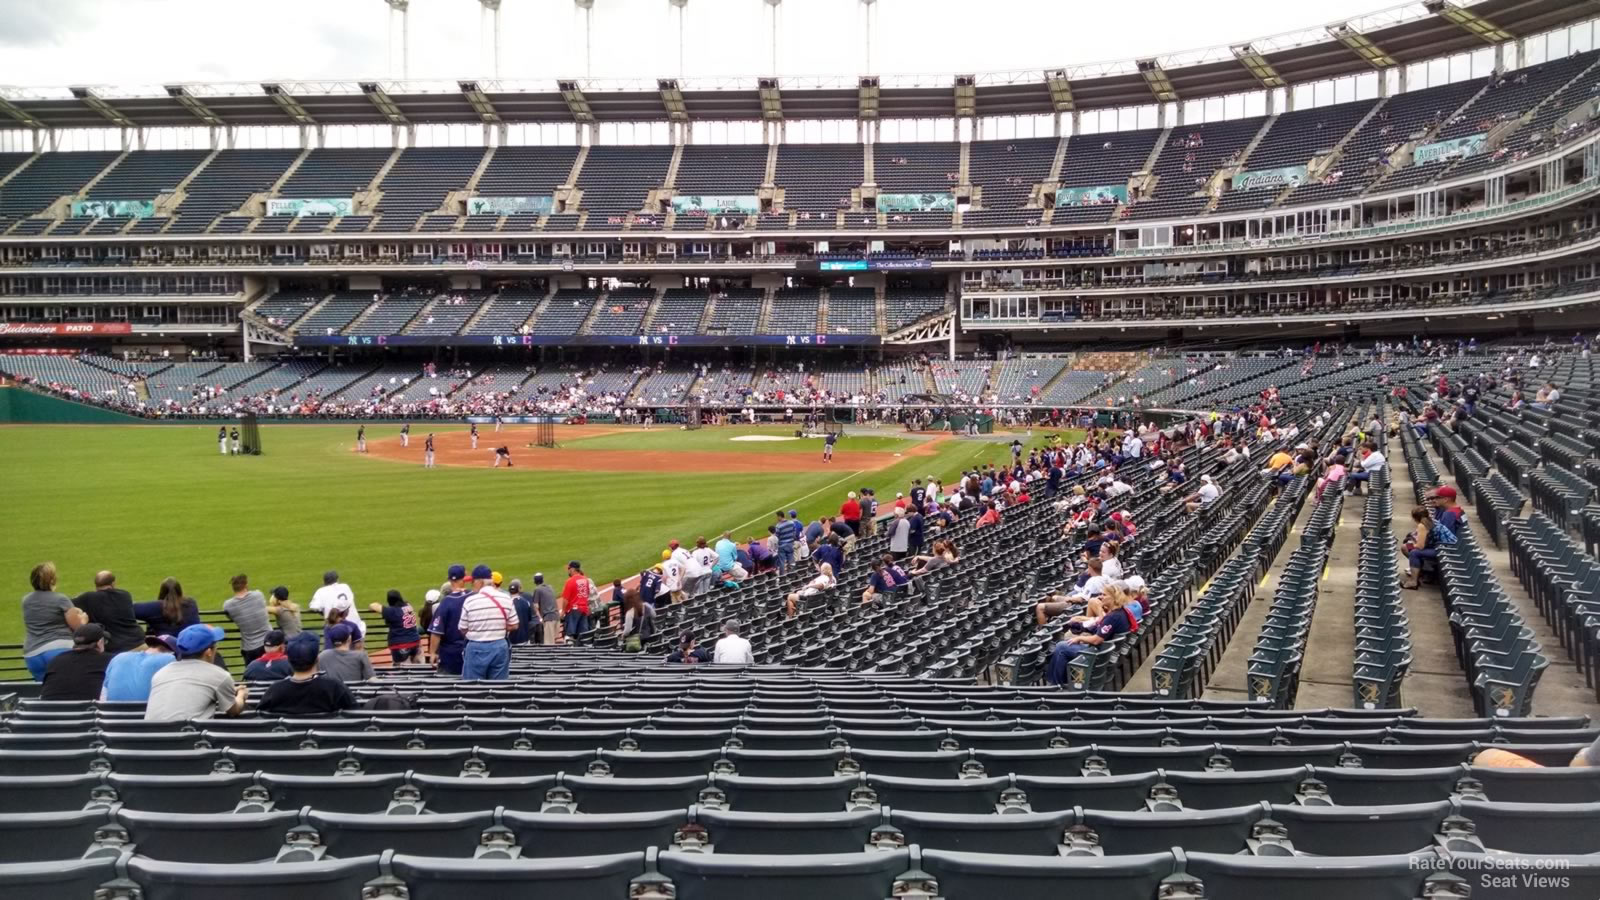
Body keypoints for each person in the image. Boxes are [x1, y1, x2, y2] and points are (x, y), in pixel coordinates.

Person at [145, 624, 249, 721]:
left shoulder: (160, 673)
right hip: (188, 733)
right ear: (208, 652)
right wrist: (241, 695)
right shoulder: (219, 675)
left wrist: (228, 690)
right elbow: (233, 711)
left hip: (150, 733)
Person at [1044, 587, 1136, 685]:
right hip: (1105, 651)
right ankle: (1060, 682)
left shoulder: (1113, 617)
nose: (1100, 597)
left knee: (1061, 647)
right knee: (1065, 644)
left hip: (1098, 654)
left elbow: (1096, 640)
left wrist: (1079, 638)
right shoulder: (1121, 612)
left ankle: (1056, 684)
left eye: (1104, 595)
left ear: (1113, 598)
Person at [258, 633, 360, 717]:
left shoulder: (274, 690)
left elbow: (260, 717)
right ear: (317, 659)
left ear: (288, 660)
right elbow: (356, 717)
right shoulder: (335, 688)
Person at [23, 562, 87, 681]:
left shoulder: (26, 600)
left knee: (45, 689)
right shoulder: (61, 599)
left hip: (32, 654)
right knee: (66, 686)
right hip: (59, 650)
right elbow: (78, 628)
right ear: (52, 580)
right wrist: (84, 619)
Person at [460, 564, 517, 680]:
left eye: (473, 582)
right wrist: (497, 627)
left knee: (473, 687)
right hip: (499, 645)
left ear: (479, 582)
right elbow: (514, 625)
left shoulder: (470, 601)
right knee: (498, 687)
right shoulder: (506, 598)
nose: (472, 585)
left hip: (476, 646)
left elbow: (462, 628)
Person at [74, 571, 145, 654]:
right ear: (113, 583)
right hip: (139, 644)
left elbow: (68, 606)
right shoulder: (125, 595)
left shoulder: (87, 598)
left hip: (113, 651)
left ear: (96, 585)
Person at [41, 623, 112, 701]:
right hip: (90, 708)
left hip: (49, 708)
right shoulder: (111, 660)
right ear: (100, 642)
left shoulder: (56, 660)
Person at [102, 634, 177, 701]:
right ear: (173, 653)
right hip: (146, 711)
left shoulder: (119, 657)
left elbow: (104, 692)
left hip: (110, 711)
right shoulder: (169, 659)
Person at [427, 565, 472, 676]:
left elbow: (436, 632)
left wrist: (432, 653)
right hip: (473, 649)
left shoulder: (446, 603)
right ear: (464, 578)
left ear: (450, 580)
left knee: (449, 684)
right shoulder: (474, 596)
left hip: (450, 654)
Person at [1402, 505, 1457, 589]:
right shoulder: (1431, 521)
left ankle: (1413, 582)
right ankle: (1420, 572)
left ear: (1414, 518)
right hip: (1446, 547)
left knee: (1413, 552)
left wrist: (1412, 544)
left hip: (1445, 550)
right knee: (1406, 547)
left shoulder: (1422, 525)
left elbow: (1420, 546)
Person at [223, 574, 270, 664]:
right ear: (246, 585)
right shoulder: (258, 595)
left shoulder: (228, 605)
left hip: (250, 649)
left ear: (233, 588)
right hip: (269, 643)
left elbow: (231, 617)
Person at [133, 577, 201, 639]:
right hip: (193, 645)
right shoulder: (191, 603)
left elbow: (130, 608)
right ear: (179, 590)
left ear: (162, 591)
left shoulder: (156, 607)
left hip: (168, 647)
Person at [368, 590, 421, 663]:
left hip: (400, 645)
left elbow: (373, 605)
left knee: (399, 668)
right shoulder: (408, 606)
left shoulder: (391, 611)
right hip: (415, 642)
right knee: (418, 667)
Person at [310, 570, 364, 641]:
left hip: (336, 630)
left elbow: (314, 607)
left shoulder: (321, 591)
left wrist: (327, 613)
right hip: (356, 627)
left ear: (324, 582)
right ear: (337, 580)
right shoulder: (345, 587)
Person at [560, 560, 592, 643]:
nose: (568, 571)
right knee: (583, 635)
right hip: (584, 610)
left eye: (569, 569)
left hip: (573, 610)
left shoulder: (570, 581)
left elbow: (565, 599)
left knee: (569, 635)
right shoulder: (585, 580)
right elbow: (587, 594)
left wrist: (563, 611)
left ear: (573, 569)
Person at [530, 573, 558, 645]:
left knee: (549, 644)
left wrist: (540, 619)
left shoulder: (537, 589)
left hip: (548, 618)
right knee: (553, 641)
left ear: (535, 581)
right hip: (556, 617)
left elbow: (536, 606)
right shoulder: (550, 587)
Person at [507, 580, 534, 647]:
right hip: (525, 638)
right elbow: (529, 619)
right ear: (518, 590)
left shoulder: (507, 603)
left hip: (512, 640)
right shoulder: (526, 602)